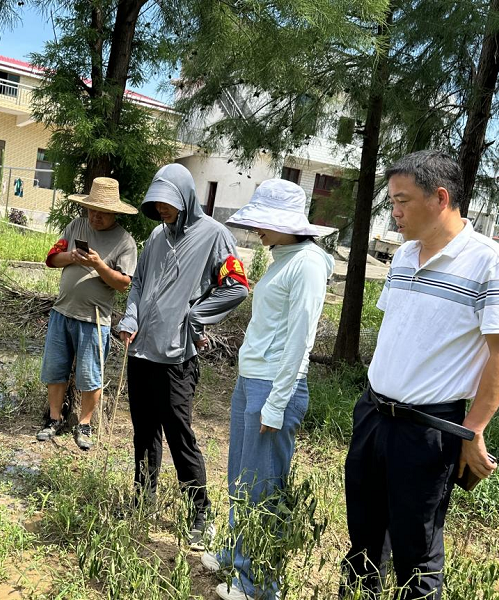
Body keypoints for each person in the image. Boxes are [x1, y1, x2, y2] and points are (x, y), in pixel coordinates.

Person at [340, 151, 499, 599]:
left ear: (440, 198)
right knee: (362, 539)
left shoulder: (489, 262)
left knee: (415, 552)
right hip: (374, 414)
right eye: (391, 201)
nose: (394, 212)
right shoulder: (402, 256)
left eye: (402, 201)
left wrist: (472, 429)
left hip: (427, 428)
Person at [199, 179, 334, 600]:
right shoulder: (282, 256)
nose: (258, 229)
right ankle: (236, 555)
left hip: (276, 386)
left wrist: (276, 404)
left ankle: (257, 581)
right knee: (242, 478)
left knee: (264, 487)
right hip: (251, 382)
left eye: (264, 222)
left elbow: (300, 338)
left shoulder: (308, 263)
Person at [118, 163, 249, 548]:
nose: (162, 209)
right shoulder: (157, 236)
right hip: (142, 352)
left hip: (177, 359)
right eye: (156, 203)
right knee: (144, 432)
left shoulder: (214, 235)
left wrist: (196, 316)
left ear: (187, 198)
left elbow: (236, 286)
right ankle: (144, 500)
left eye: (169, 202)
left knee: (180, 437)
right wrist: (130, 316)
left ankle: (199, 515)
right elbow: (139, 282)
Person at [37, 177, 138, 450]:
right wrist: (71, 257)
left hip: (94, 320)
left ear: (114, 213)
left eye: (102, 213)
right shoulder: (76, 226)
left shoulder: (125, 242)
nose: (95, 217)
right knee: (55, 369)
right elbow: (51, 259)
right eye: (92, 210)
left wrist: (99, 265)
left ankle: (84, 425)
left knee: (90, 375)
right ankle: (54, 419)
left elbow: (123, 283)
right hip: (62, 311)